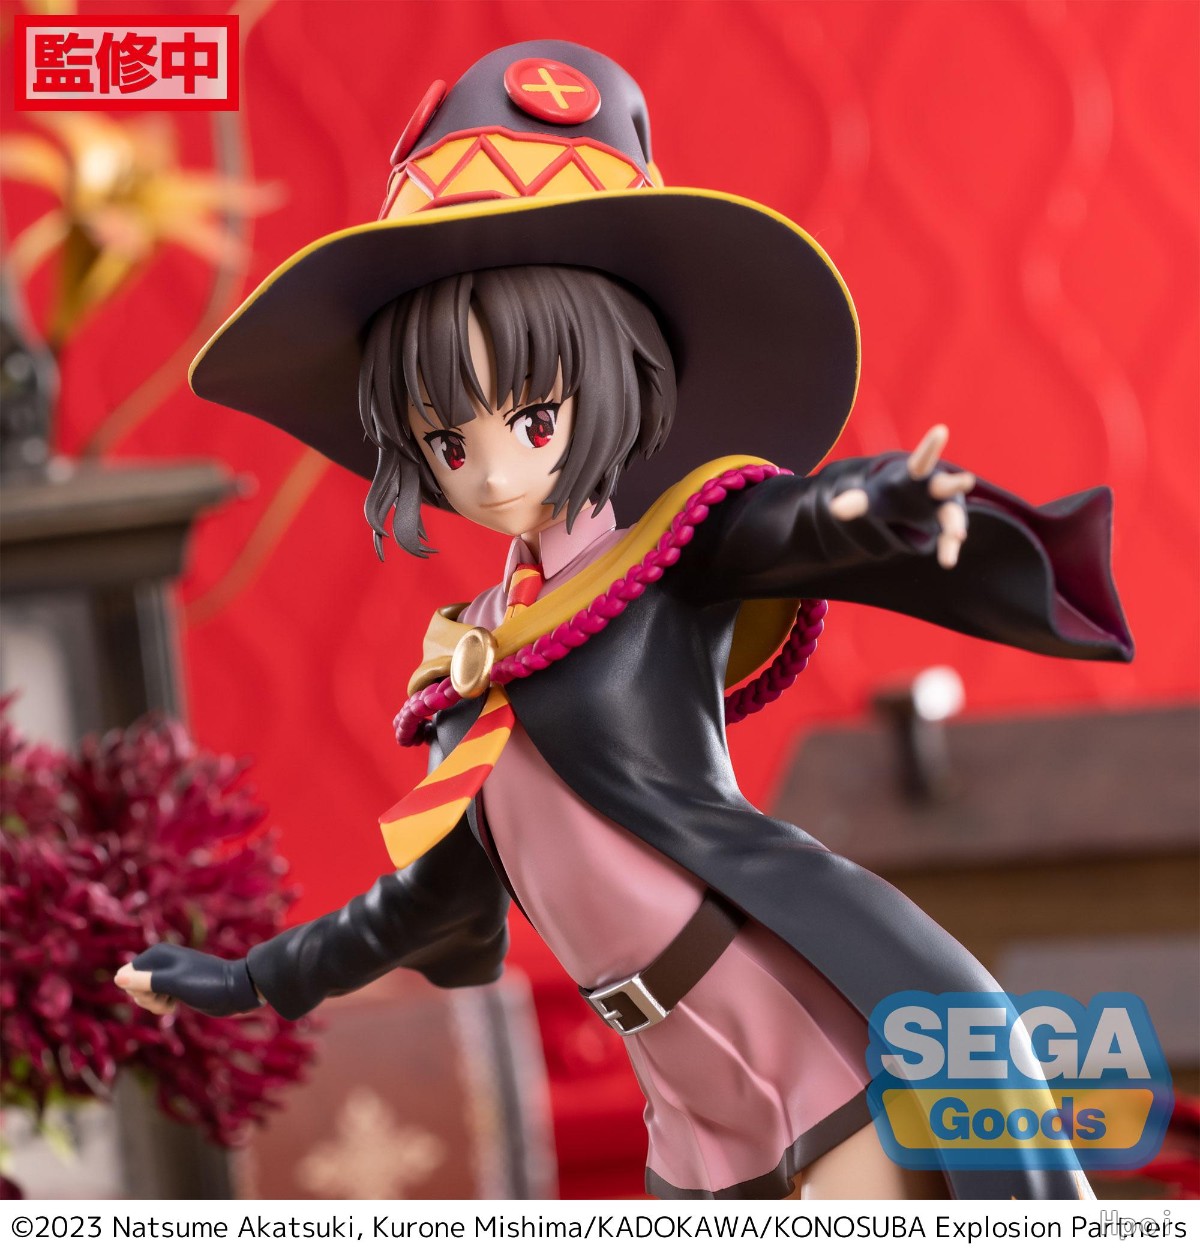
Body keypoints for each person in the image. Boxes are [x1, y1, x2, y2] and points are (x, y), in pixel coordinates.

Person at [116, 42, 1132, 1200]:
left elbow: (779, 524)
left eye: (533, 421)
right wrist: (247, 980)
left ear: (619, 384)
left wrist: (873, 504)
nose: (495, 472)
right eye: (448, 441)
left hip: (810, 1029)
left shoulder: (668, 558)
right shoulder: (472, 664)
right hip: (686, 1104)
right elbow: (433, 897)